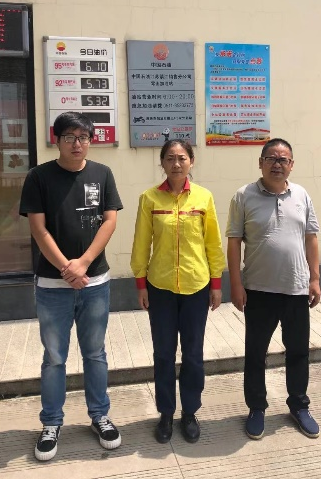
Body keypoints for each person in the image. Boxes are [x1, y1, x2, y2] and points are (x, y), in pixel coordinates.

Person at [19, 111, 123, 461]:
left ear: (90, 140)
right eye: (69, 137)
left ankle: (100, 416)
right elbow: (38, 229)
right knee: (54, 358)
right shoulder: (39, 177)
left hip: (95, 282)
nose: (77, 144)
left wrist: (84, 263)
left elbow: (109, 221)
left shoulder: (102, 173)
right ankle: (51, 423)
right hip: (53, 285)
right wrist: (67, 268)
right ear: (57, 140)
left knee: (95, 353)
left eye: (83, 137)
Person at [130, 140, 225, 444]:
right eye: (170, 158)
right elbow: (141, 243)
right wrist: (141, 284)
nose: (176, 163)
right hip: (160, 288)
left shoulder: (203, 197)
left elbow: (213, 243)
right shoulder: (149, 199)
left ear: (191, 162)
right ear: (162, 163)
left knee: (193, 354)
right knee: (163, 353)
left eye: (182, 158)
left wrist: (216, 284)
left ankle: (190, 412)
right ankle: (166, 413)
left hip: (196, 285)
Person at [226, 138, 321, 440]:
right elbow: (233, 242)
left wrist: (315, 279)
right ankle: (256, 407)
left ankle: (299, 405)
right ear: (261, 163)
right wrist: (235, 284)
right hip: (258, 290)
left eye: (283, 159)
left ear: (291, 165)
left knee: (298, 351)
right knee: (256, 353)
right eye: (271, 158)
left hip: (296, 289)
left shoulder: (301, 195)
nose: (277, 164)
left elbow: (311, 238)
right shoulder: (243, 196)